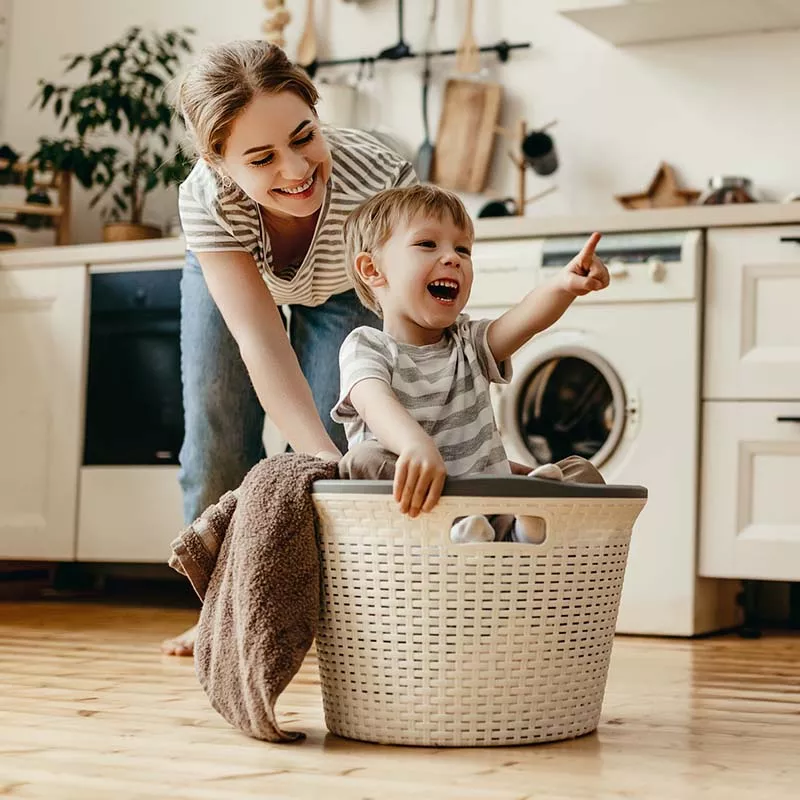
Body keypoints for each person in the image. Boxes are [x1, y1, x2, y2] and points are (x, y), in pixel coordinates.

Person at [162, 41, 416, 656]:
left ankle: (333, 616)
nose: (296, 170)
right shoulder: (206, 200)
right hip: (237, 270)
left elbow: (409, 313)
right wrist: (320, 460)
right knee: (218, 429)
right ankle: (222, 611)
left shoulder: (380, 178)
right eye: (262, 158)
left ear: (316, 111)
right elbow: (259, 341)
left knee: (342, 436)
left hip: (343, 286)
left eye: (304, 137)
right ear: (219, 163)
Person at [332, 185, 610, 542]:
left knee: (580, 473)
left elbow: (525, 319)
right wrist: (415, 446)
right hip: (417, 513)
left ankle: (524, 528)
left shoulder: (468, 342)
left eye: (462, 249)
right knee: (361, 462)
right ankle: (471, 532)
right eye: (427, 244)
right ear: (373, 269)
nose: (453, 258)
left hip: (492, 503)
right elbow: (374, 402)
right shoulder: (366, 346)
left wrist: (563, 286)